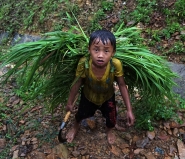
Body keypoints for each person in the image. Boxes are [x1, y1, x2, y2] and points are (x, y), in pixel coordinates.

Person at [66, 29, 135, 144]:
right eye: (96, 50)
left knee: (111, 118)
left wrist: (129, 110)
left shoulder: (115, 64)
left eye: (106, 51)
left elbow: (122, 85)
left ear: (113, 52)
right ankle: (75, 127)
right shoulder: (84, 63)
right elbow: (77, 83)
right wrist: (69, 102)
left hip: (108, 97)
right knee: (80, 114)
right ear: (89, 50)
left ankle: (109, 131)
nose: (100, 55)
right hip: (88, 96)